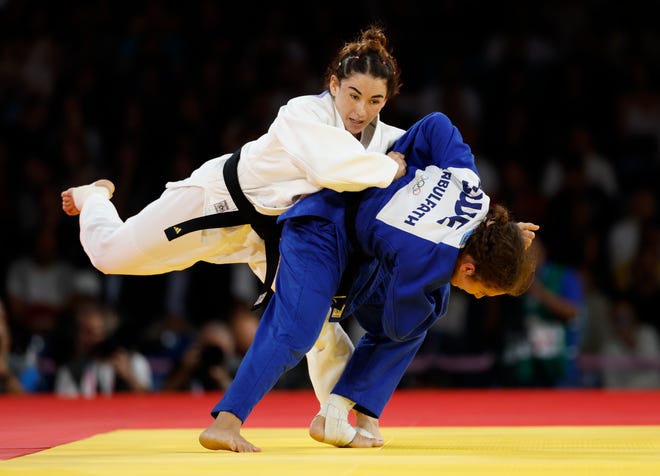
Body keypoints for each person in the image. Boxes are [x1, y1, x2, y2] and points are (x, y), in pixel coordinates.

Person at [199, 111, 539, 452]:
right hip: (321, 227)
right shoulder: (426, 262)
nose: (479, 298)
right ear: (469, 267)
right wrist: (385, 168)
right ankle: (225, 423)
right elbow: (394, 325)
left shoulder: (470, 187)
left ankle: (356, 416)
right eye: (483, 290)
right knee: (300, 329)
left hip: (361, 248)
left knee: (423, 312)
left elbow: (437, 123)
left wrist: (396, 170)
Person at [60, 25, 406, 309]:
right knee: (108, 255)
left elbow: (426, 149)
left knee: (313, 318)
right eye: (353, 95)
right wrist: (388, 169)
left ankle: (343, 398)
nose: (361, 110)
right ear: (334, 85)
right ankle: (94, 197)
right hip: (216, 202)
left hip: (264, 233)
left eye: (375, 101)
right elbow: (330, 170)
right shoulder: (302, 113)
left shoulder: (379, 140)